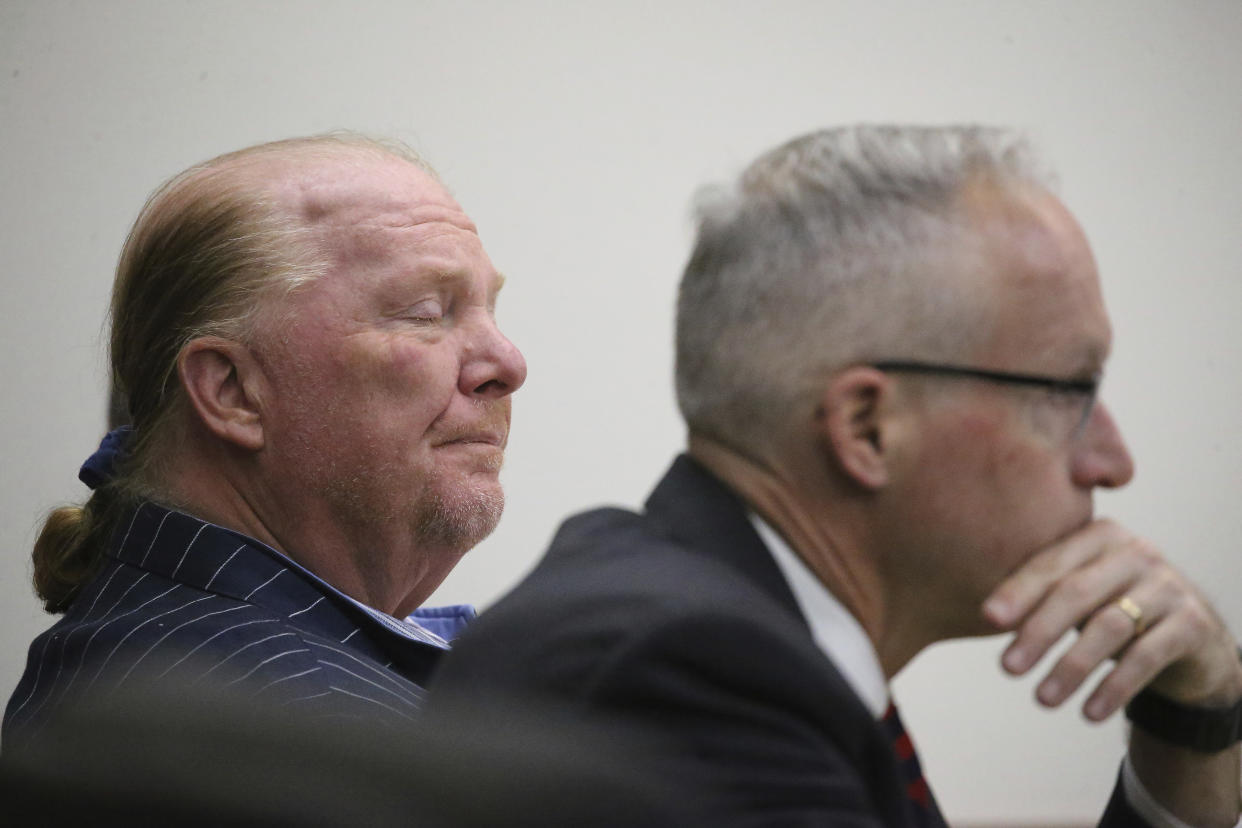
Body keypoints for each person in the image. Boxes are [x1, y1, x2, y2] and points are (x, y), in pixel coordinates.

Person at [428, 125, 1241, 826]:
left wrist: (1191, 722)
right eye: (1070, 392)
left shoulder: (733, 624)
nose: (1114, 461)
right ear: (867, 429)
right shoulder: (683, 676)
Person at [4, 133, 527, 750]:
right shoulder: (302, 740)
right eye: (424, 312)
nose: (508, 363)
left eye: (488, 310)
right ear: (232, 392)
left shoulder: (193, 665)